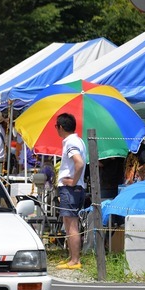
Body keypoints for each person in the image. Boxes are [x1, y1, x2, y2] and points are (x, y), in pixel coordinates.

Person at [55, 113, 87, 270]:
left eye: (56, 127)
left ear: (61, 127)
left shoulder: (71, 142)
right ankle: (72, 256)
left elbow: (79, 163)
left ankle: (75, 260)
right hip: (75, 187)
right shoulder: (77, 140)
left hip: (71, 188)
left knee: (71, 224)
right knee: (68, 223)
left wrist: (72, 181)